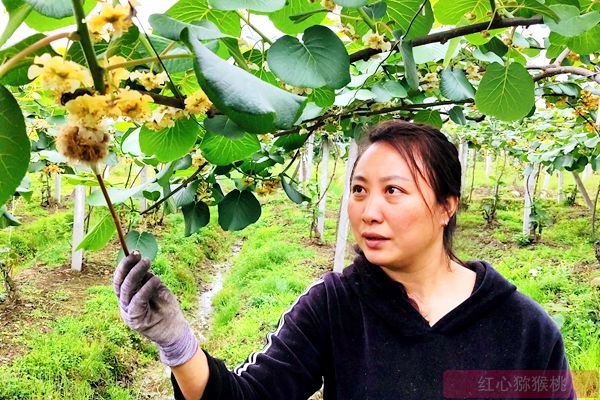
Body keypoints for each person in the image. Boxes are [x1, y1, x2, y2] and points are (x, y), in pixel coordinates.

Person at [114, 120, 576, 399]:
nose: (369, 211)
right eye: (359, 190)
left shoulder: (523, 329)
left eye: (393, 191)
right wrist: (177, 345)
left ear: (445, 206)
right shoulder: (335, 306)